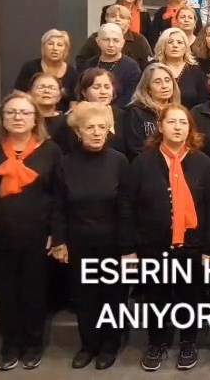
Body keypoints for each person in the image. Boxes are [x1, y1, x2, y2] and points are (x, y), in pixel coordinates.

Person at [123, 104, 210, 372]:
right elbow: (127, 206)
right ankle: (157, 343)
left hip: (192, 246)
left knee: (191, 297)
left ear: (190, 128)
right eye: (172, 122)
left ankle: (189, 343)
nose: (178, 127)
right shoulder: (142, 162)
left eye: (183, 123)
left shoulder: (203, 163)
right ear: (160, 127)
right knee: (156, 298)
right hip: (153, 245)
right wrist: (128, 248)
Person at [0, 91, 64, 371]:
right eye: (11, 112)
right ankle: (10, 345)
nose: (18, 117)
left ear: (35, 119)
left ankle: (33, 345)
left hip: (37, 235)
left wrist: (56, 234)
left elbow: (59, 196)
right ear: (2, 118)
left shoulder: (50, 150)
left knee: (34, 292)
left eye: (24, 113)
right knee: (6, 294)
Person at [60, 102, 129, 370]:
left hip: (112, 243)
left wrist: (127, 248)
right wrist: (59, 240)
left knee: (113, 296)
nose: (97, 132)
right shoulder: (65, 163)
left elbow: (125, 207)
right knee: (84, 296)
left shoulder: (119, 161)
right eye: (90, 127)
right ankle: (88, 345)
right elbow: (58, 206)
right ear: (78, 131)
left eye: (102, 127)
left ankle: (110, 345)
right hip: (79, 242)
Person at [77, 23, 142, 109]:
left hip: (120, 113)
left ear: (122, 43)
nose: (111, 44)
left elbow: (130, 97)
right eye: (106, 40)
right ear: (98, 41)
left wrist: (108, 110)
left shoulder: (132, 67)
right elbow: (82, 92)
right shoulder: (89, 64)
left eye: (115, 40)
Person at [123, 63, 181, 158]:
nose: (164, 86)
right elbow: (135, 149)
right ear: (148, 88)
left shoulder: (179, 112)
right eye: (157, 82)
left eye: (167, 80)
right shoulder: (135, 112)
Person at [14, 29, 79, 112]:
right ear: (43, 47)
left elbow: (74, 103)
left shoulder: (72, 72)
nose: (55, 48)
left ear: (65, 50)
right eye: (50, 44)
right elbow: (18, 95)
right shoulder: (30, 67)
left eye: (59, 45)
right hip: (33, 113)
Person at [77, 4, 152, 70]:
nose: (117, 19)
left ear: (129, 22)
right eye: (113, 16)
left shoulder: (139, 40)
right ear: (106, 19)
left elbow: (149, 65)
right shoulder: (95, 37)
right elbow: (81, 62)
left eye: (122, 17)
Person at [153, 27, 210, 109]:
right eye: (170, 42)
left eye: (180, 42)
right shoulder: (154, 68)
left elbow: (204, 101)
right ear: (162, 45)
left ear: (186, 47)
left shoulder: (195, 70)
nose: (175, 45)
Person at [76, 68, 127, 153]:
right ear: (84, 92)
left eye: (107, 87)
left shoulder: (125, 116)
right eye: (96, 87)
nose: (103, 92)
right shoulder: (75, 118)